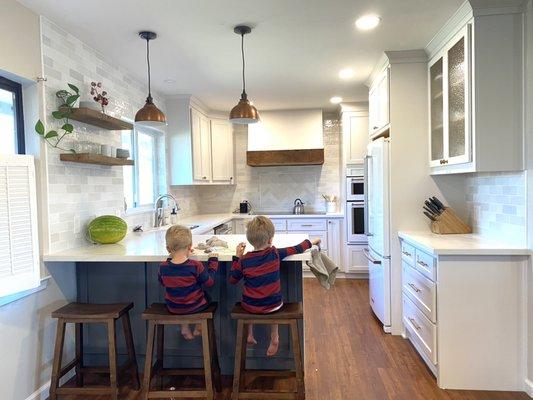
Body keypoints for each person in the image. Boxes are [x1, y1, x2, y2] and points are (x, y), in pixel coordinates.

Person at [229, 216, 320, 356]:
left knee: (248, 298)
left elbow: (233, 280)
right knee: (273, 300)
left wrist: (237, 257)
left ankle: (249, 334)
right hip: (273, 306)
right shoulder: (275, 253)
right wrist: (312, 242)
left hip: (250, 307)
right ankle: (275, 336)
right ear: (270, 239)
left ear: (249, 240)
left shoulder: (244, 260)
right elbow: (297, 248)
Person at [159, 225, 218, 340]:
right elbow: (209, 282)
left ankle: (184, 328)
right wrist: (213, 263)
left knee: (181, 296)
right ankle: (198, 325)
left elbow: (162, 283)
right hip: (194, 306)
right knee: (206, 297)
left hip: (173, 307)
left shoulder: (163, 267)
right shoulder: (195, 265)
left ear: (168, 248)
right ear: (190, 246)